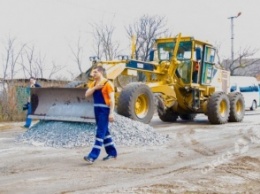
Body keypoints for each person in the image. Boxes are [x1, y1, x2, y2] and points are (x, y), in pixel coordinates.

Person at [84, 66, 117, 164]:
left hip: (104, 110)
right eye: (92, 73)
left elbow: (112, 99)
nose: (92, 74)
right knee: (105, 132)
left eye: (94, 72)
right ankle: (112, 152)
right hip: (97, 109)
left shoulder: (108, 84)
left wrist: (111, 113)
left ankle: (92, 156)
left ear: (100, 73)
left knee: (100, 132)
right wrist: (95, 88)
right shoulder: (93, 84)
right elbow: (86, 95)